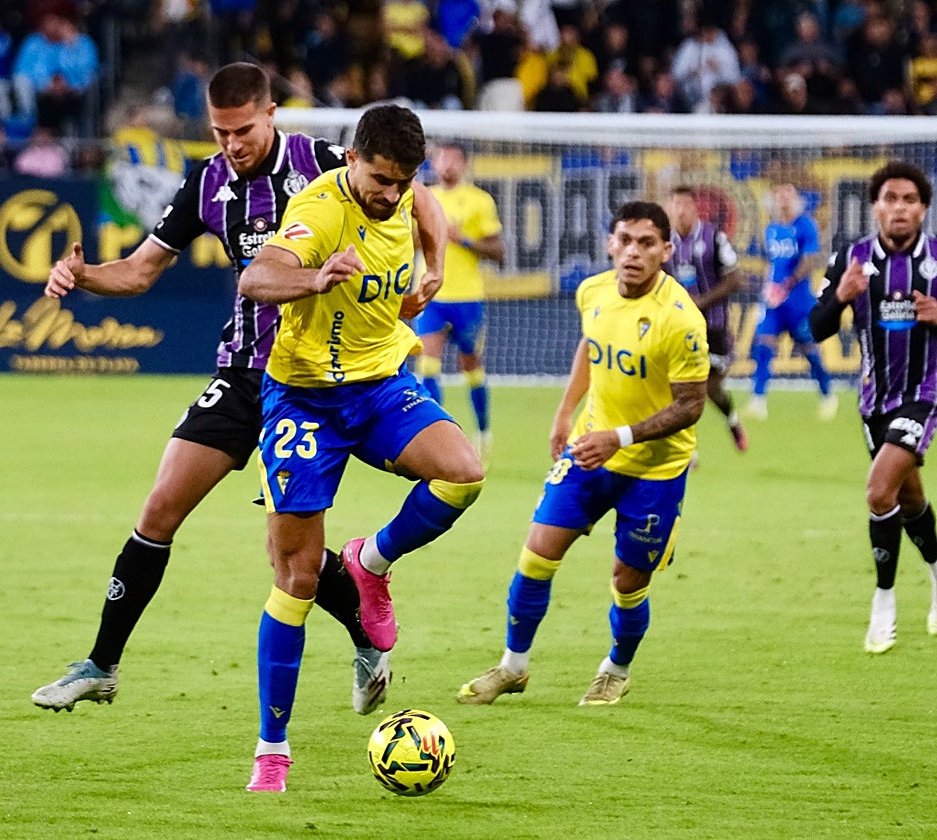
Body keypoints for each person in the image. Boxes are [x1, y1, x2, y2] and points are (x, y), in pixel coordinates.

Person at [32, 64, 445, 719]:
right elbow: (139, 273)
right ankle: (100, 665)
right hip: (242, 372)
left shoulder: (326, 161)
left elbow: (415, 193)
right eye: (220, 132)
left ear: (272, 113)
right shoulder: (207, 181)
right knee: (161, 506)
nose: (232, 143)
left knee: (290, 560)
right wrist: (81, 276)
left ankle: (366, 637)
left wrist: (431, 271)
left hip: (317, 380)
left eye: (243, 129)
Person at [237, 103, 484, 792]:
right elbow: (256, 280)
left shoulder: (405, 193)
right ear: (352, 160)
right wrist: (315, 278)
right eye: (379, 178)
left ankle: (371, 562)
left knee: (464, 473)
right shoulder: (321, 211)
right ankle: (272, 751)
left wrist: (432, 265)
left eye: (400, 180)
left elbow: (428, 206)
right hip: (306, 400)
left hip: (378, 384)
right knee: (297, 578)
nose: (390, 193)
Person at [457, 201, 707, 708]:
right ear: (610, 244)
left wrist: (621, 437)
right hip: (590, 452)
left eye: (646, 243)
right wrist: (564, 413)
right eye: (625, 241)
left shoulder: (680, 319)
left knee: (627, 582)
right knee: (536, 555)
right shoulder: (592, 290)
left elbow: (691, 405)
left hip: (654, 470)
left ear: (666, 250)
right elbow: (591, 347)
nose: (633, 252)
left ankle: (615, 668)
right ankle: (513, 666)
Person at [810, 160, 937, 654]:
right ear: (876, 206)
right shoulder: (852, 258)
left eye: (909, 199)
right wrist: (840, 297)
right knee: (908, 501)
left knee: (878, 490)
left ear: (923, 208)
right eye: (890, 199)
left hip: (924, 394)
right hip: (874, 401)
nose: (900, 208)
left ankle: (883, 600)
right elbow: (816, 329)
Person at [416, 140, 504, 461]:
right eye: (442, 158)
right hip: (431, 295)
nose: (447, 165)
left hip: (468, 297)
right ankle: (435, 436)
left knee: (471, 366)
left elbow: (498, 252)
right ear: (434, 164)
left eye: (454, 159)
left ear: (464, 164)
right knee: (428, 363)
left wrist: (462, 238)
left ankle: (483, 432)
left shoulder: (479, 201)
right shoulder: (423, 198)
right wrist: (429, 231)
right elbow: (409, 241)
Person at [665, 185, 748, 454]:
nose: (680, 211)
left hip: (714, 328)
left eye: (685, 206)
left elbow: (736, 279)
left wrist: (702, 302)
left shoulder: (713, 238)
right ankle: (689, 451)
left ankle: (733, 421)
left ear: (695, 208)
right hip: (680, 329)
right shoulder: (665, 244)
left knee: (712, 390)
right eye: (675, 205)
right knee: (677, 389)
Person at [747, 181, 837, 420]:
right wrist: (768, 291)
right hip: (774, 303)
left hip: (799, 302)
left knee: (808, 349)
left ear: (797, 198)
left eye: (788, 194)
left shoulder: (806, 225)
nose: (783, 199)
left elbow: (809, 261)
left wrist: (787, 284)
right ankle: (758, 399)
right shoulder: (772, 229)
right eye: (779, 194)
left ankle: (828, 393)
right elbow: (772, 264)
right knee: (764, 343)